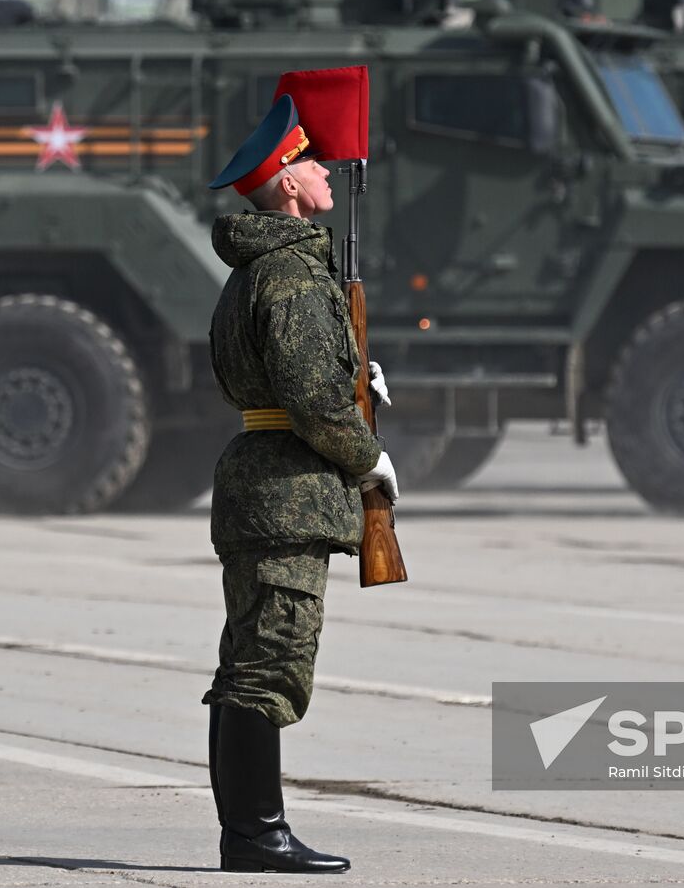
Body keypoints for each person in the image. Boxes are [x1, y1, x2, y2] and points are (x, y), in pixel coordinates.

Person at [201, 93, 398, 875]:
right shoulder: (289, 273)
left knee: (247, 659)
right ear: (287, 185)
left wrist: (355, 370)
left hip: (262, 484)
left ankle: (251, 830)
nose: (323, 172)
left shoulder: (255, 273)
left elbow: (274, 377)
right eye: (311, 162)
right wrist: (367, 458)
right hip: (289, 491)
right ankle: (257, 834)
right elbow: (313, 400)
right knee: (270, 662)